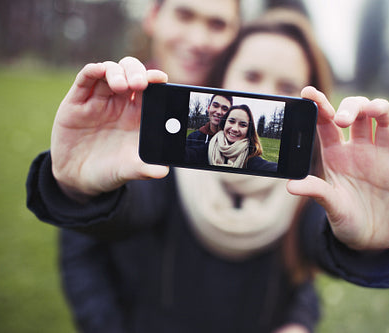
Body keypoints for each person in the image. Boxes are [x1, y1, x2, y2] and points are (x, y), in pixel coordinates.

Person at [26, 8, 389, 333]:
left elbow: (310, 259)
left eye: (287, 84)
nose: (266, 93)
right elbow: (122, 213)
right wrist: (77, 189)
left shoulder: (308, 185)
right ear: (222, 80)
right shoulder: (169, 158)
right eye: (251, 76)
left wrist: (369, 244)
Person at [53, 1, 322, 332]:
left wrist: (300, 321)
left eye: (217, 24)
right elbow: (105, 227)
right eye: (184, 14)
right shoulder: (162, 140)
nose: (197, 39)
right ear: (153, 16)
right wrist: (77, 188)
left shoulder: (298, 170)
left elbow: (306, 260)